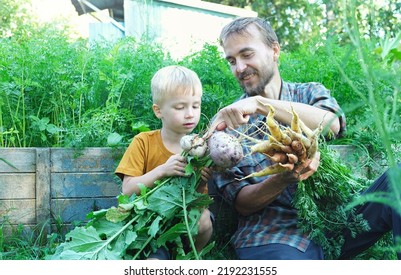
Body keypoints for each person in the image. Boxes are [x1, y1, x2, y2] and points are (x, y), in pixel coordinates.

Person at [208, 16, 401, 260]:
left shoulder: (309, 92)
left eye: (247, 55)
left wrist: (259, 104)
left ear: (274, 50)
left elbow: (331, 124)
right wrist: (282, 178)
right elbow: (242, 204)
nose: (239, 68)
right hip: (273, 234)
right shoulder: (230, 125)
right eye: (232, 60)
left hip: (335, 222)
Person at [115, 65, 213, 259]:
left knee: (203, 220)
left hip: (186, 223)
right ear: (158, 111)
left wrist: (202, 181)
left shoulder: (201, 148)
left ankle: (193, 258)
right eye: (180, 107)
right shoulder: (143, 142)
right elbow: (127, 190)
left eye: (195, 106)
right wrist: (161, 171)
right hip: (150, 224)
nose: (190, 114)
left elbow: (199, 199)